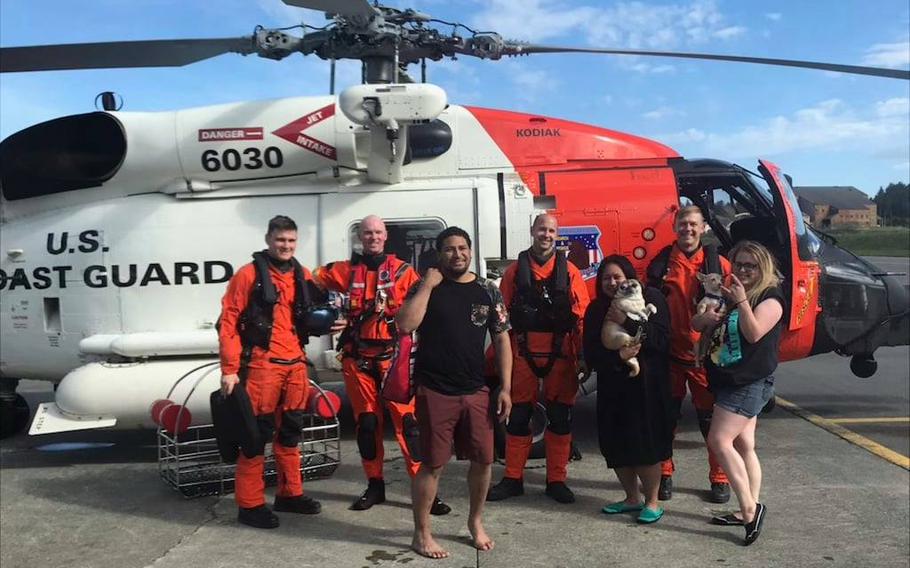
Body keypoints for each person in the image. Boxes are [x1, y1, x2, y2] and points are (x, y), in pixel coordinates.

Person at [313, 215, 449, 515]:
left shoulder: (402, 272)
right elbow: (312, 279)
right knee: (367, 426)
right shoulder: (344, 271)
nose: (372, 237)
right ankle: (375, 485)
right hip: (358, 361)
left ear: (385, 235)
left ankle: (425, 491)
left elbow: (429, 303)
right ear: (360, 237)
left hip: (395, 360)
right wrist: (323, 314)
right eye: (367, 233)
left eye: (377, 232)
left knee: (410, 427)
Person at [396, 226, 512, 559]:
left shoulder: (488, 290)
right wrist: (429, 286)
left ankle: (475, 522)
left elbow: (502, 338)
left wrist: (505, 387)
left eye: (462, 248)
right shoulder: (427, 285)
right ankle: (422, 534)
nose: (457, 254)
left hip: (476, 390)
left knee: (484, 460)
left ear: (471, 251)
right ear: (439, 253)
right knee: (432, 464)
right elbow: (405, 325)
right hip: (435, 391)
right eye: (449, 249)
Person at [218, 215, 333, 529]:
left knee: (290, 435)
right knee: (255, 438)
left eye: (291, 241)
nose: (286, 246)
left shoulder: (301, 274)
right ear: (269, 239)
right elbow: (227, 323)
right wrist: (229, 370)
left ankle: (290, 494)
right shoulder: (248, 275)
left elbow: (314, 310)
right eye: (281, 240)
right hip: (261, 367)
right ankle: (250, 504)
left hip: (295, 365)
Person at [487, 214, 590, 504]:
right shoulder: (513, 273)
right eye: (541, 229)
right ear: (532, 231)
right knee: (518, 417)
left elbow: (580, 317)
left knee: (560, 418)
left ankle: (556, 480)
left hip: (560, 354)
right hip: (523, 353)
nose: (546, 234)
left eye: (551, 230)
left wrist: (582, 356)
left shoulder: (569, 272)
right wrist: (498, 357)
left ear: (557, 235)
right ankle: (512, 478)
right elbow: (501, 318)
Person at [695, 241, 784, 546]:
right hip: (732, 379)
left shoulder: (771, 298)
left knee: (719, 440)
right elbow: (703, 321)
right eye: (740, 264)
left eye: (751, 266)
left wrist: (742, 302)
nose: (744, 270)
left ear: (764, 268)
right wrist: (708, 318)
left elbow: (754, 332)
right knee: (745, 444)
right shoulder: (731, 292)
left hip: (748, 382)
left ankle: (749, 509)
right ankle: (748, 505)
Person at [646, 205, 731, 503]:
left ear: (704, 227)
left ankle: (720, 477)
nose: (688, 230)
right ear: (675, 227)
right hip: (669, 356)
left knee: (712, 420)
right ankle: (665, 474)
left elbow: (735, 304)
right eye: (683, 225)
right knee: (665, 419)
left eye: (694, 225)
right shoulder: (660, 265)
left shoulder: (718, 265)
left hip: (705, 356)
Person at [584, 255, 673, 524]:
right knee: (615, 445)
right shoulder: (596, 310)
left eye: (617, 277)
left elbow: (660, 340)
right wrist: (618, 358)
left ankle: (653, 501)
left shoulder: (652, 298)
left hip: (647, 386)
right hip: (613, 386)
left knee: (646, 444)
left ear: (629, 278)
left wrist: (627, 320)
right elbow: (592, 353)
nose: (612, 283)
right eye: (606, 278)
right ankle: (631, 498)